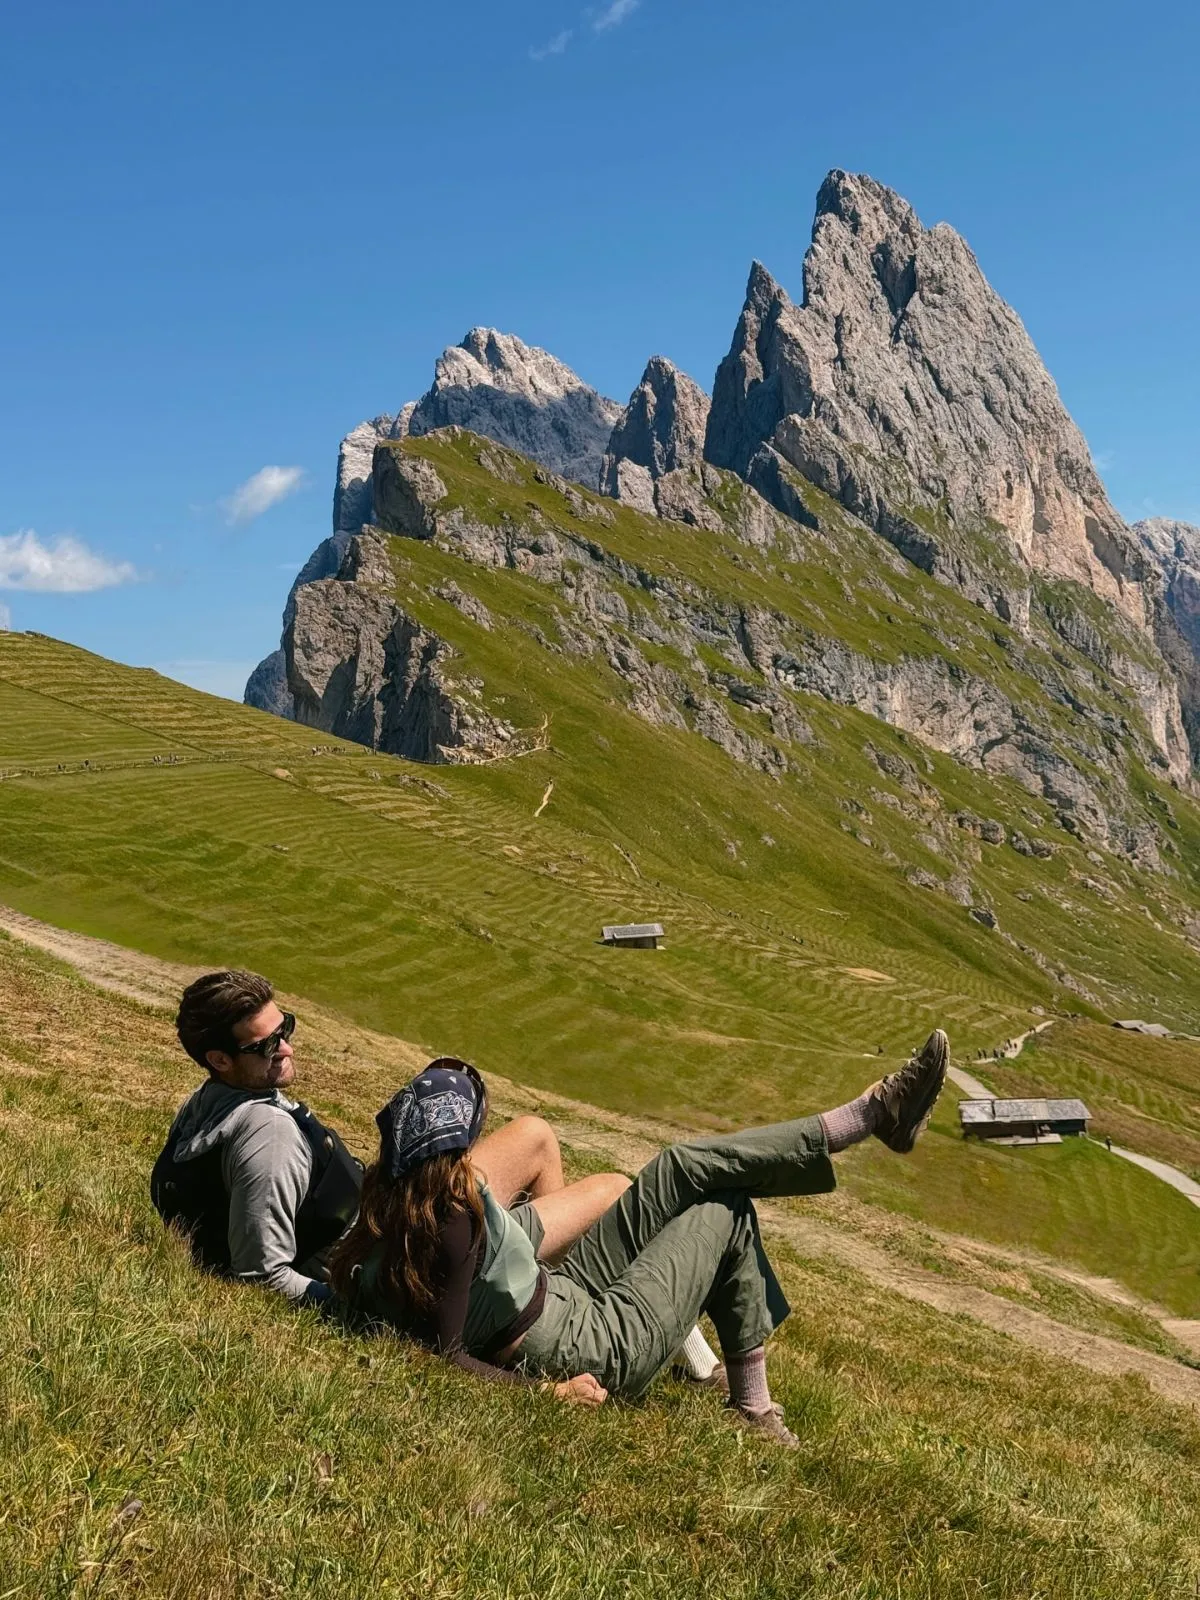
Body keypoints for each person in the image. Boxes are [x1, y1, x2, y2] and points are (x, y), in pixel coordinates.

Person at [329, 1030, 951, 1444]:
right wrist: (548, 1393)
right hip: (587, 1346)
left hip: (557, 1292)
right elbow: (444, 1353)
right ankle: (755, 1410)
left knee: (680, 1165)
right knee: (724, 1210)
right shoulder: (453, 1219)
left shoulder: (393, 1201)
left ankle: (874, 1114)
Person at [150, 966, 719, 1387]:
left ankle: (544, 1290)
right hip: (406, 1248)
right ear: (219, 1059)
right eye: (266, 1044)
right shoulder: (265, 1139)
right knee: (615, 1190)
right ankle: (646, 1345)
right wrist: (359, 1308)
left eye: (286, 1027)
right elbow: (262, 1272)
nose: (287, 1047)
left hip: (396, 1217)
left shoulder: (208, 1106)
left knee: (537, 1136)